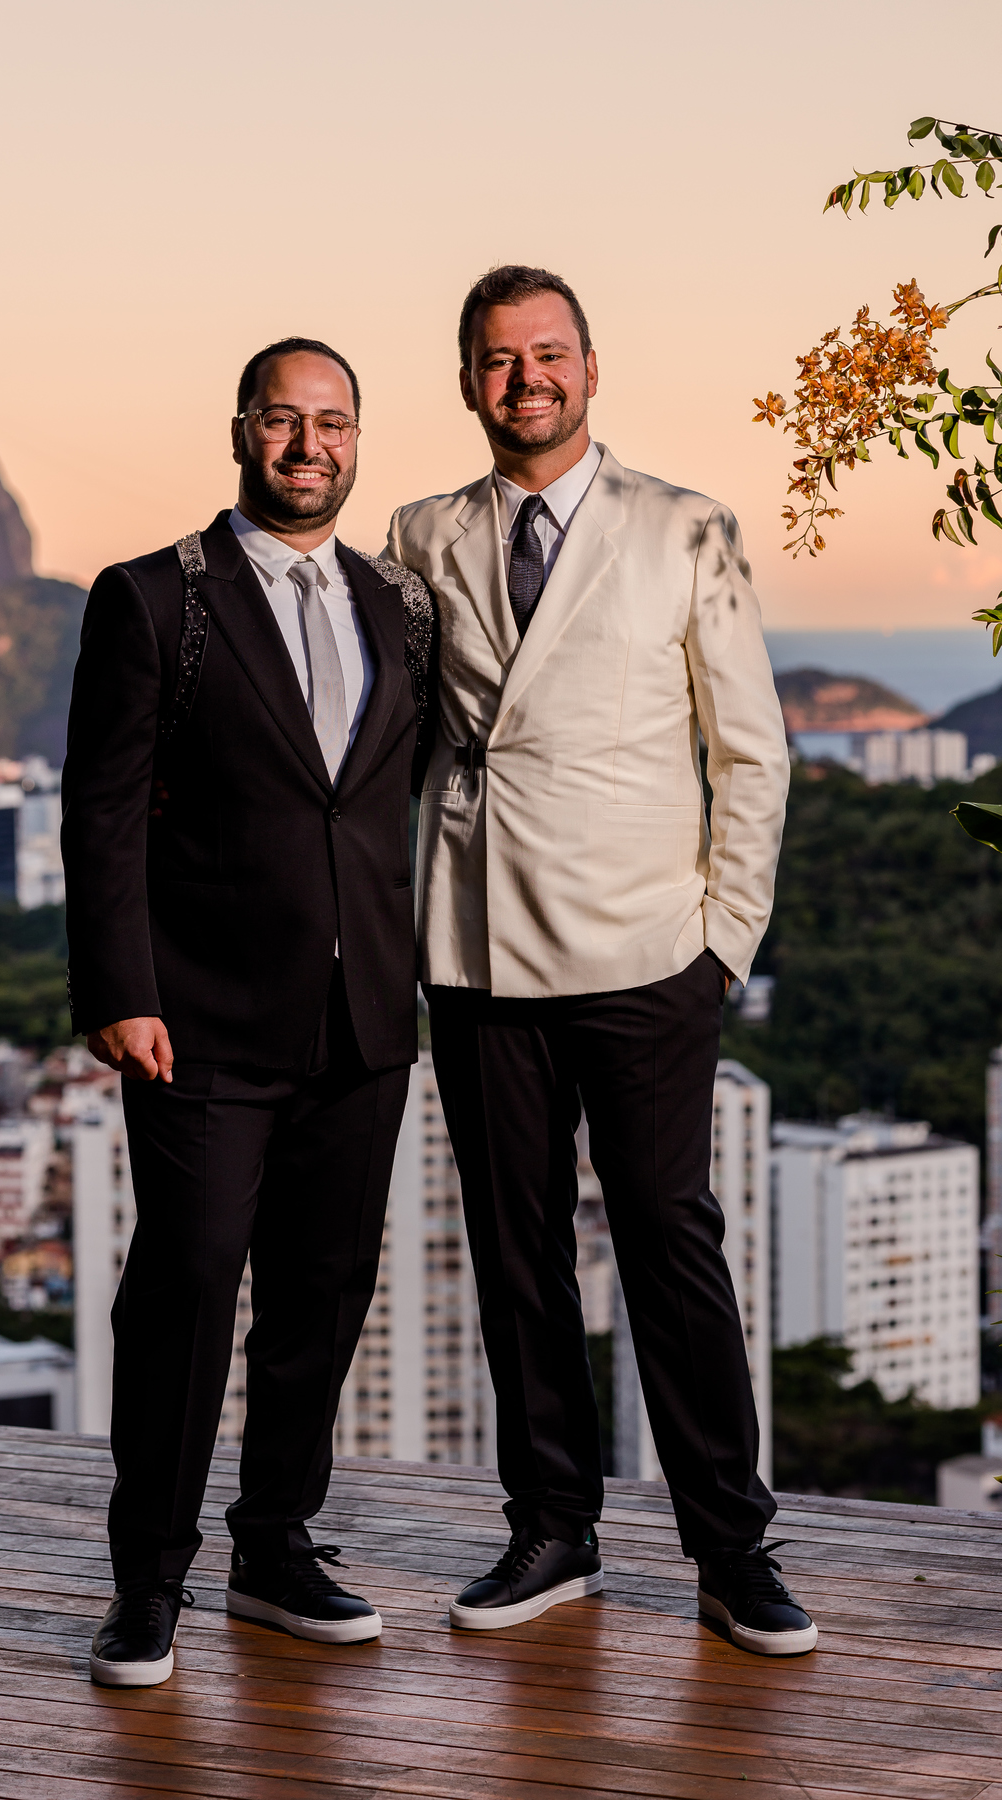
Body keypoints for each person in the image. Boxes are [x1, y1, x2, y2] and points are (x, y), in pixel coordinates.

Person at [386, 266, 816, 1656]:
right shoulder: (422, 531)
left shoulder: (686, 526)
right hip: (477, 945)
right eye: (499, 359)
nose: (527, 379)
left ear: (590, 365)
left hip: (646, 950)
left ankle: (731, 1549)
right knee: (516, 1255)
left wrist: (722, 944)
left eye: (549, 353)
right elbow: (382, 726)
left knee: (669, 1244)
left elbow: (752, 751)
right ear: (468, 381)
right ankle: (552, 1530)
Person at [62, 336, 436, 1685]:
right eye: (283, 420)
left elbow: (392, 798)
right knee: (186, 1292)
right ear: (240, 432)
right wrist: (120, 990)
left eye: (332, 423)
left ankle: (275, 1549)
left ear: (358, 440)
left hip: (364, 1019)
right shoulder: (155, 597)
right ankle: (148, 1582)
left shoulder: (399, 606)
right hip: (200, 1022)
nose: (307, 447)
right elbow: (101, 807)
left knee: (322, 1298)